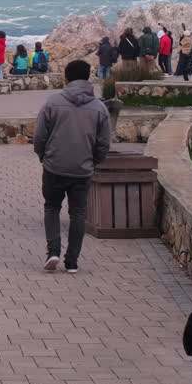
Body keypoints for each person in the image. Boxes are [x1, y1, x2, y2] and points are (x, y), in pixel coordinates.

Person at [34, 60, 111, 274]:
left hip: (54, 166)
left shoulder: (52, 102)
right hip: (82, 169)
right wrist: (94, 161)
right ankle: (72, 261)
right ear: (88, 78)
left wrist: (43, 156)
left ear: (66, 78)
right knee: (78, 213)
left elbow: (40, 136)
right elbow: (104, 142)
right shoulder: (99, 108)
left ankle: (53, 252)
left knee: (51, 207)